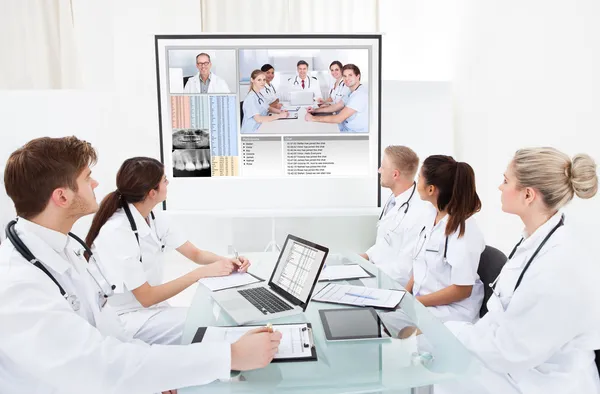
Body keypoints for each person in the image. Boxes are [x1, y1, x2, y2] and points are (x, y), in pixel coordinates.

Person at [0, 136, 281, 393]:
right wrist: (229, 357)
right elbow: (100, 365)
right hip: (106, 360)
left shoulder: (64, 249)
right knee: (211, 334)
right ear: (62, 197)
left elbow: (109, 330)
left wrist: (159, 377)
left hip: (118, 358)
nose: (97, 184)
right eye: (88, 178)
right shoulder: (19, 285)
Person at [437, 148, 600, 394]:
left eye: (505, 180)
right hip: (518, 365)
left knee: (437, 380)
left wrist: (450, 331)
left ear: (527, 195)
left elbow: (511, 350)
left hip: (546, 382)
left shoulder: (558, 266)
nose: (499, 187)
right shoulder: (536, 239)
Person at [85, 157, 248, 345]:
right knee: (207, 325)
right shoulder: (116, 231)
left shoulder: (154, 217)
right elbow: (146, 297)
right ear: (152, 193)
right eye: (164, 180)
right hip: (126, 318)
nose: (168, 183)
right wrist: (200, 274)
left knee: (211, 318)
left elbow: (196, 254)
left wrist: (228, 262)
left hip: (150, 308)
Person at [405, 155, 485, 323]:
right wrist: (404, 295)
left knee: (394, 334)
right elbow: (420, 262)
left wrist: (413, 303)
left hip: (451, 312)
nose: (416, 181)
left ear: (431, 189)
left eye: (419, 178)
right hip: (425, 302)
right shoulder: (430, 214)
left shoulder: (464, 230)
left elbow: (462, 290)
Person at [360, 146, 429, 286]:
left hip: (390, 283)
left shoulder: (418, 213)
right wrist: (365, 257)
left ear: (395, 175)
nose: (379, 170)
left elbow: (404, 270)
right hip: (376, 273)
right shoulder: (395, 199)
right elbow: (385, 241)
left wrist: (368, 275)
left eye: (382, 167)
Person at [305, 64, 368, 133]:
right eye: (344, 76)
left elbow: (339, 118)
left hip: (354, 133)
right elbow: (336, 106)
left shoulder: (359, 95)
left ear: (357, 76)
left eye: (350, 75)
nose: (347, 79)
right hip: (345, 126)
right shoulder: (350, 91)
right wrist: (315, 110)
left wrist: (313, 118)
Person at [241, 70, 289, 134]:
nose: (262, 82)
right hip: (252, 131)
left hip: (261, 125)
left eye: (264, 80)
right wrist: (279, 116)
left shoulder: (259, 94)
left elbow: (268, 108)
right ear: (252, 80)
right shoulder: (250, 98)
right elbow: (258, 119)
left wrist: (280, 111)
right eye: (259, 80)